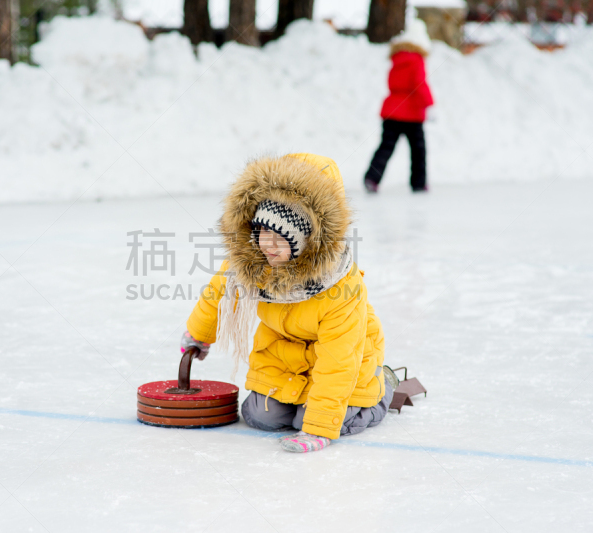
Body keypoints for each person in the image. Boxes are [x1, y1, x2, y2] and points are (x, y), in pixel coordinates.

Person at [181, 153, 394, 453]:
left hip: (348, 363)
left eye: (280, 237)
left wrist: (319, 428)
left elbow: (338, 361)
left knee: (317, 419)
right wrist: (198, 334)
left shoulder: (341, 287)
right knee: (259, 416)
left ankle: (383, 390)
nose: (267, 245)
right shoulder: (255, 260)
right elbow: (220, 290)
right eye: (262, 232)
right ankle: (305, 405)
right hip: (286, 357)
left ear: (307, 240)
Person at [364, 19, 434, 194]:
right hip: (411, 113)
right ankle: (418, 183)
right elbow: (419, 84)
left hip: (392, 110)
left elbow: (392, 84)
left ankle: (372, 177)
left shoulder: (397, 60)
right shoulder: (416, 60)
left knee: (386, 147)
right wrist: (429, 104)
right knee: (418, 151)